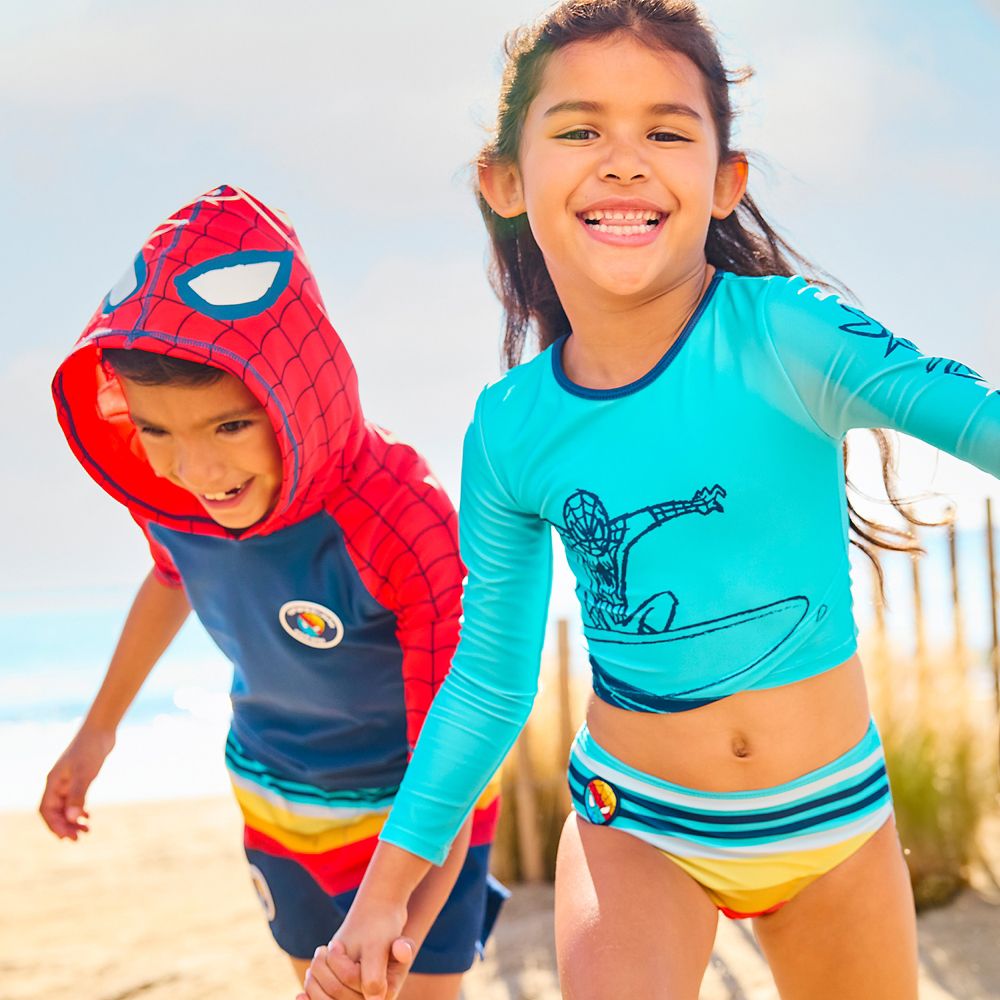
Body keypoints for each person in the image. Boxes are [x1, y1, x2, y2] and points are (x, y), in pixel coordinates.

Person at [303, 2, 1000, 999]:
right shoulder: (511, 427)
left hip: (833, 821)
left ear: (725, 181)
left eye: (666, 133)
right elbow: (489, 684)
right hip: (636, 823)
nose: (624, 162)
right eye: (580, 129)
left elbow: (972, 418)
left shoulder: (787, 335)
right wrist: (383, 895)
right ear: (505, 181)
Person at [39, 184, 505, 1000]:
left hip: (420, 813)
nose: (197, 470)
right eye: (155, 430)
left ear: (296, 398)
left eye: (229, 426)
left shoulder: (401, 518)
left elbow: (455, 746)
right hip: (277, 804)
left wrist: (390, 910)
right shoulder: (175, 498)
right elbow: (173, 577)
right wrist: (97, 732)